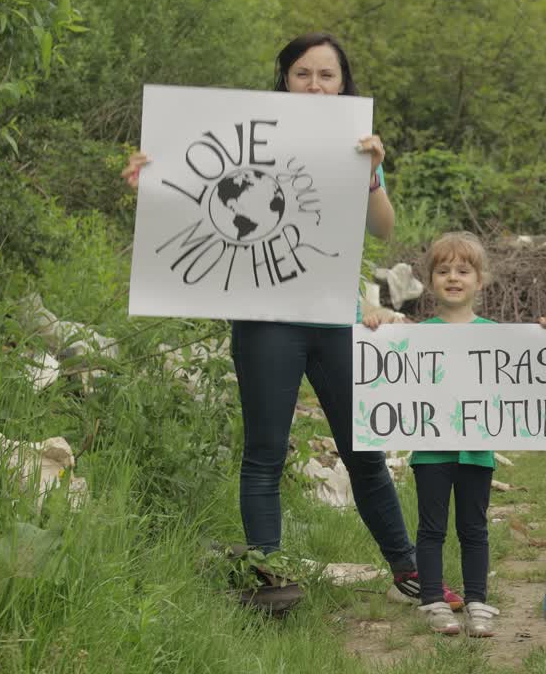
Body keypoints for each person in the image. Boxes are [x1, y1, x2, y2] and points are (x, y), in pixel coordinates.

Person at [121, 32, 463, 610]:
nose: (315, 85)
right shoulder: (242, 135)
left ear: (343, 83)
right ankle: (270, 580)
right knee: (265, 454)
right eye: (303, 73)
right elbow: (193, 195)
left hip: (335, 319)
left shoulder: (356, 143)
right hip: (265, 320)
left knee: (365, 451)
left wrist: (373, 172)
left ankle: (408, 573)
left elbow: (383, 228)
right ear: (284, 79)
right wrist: (149, 178)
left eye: (327, 75)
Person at [380, 231, 546, 637]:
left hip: (477, 451)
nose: (453, 277)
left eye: (463, 271)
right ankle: (433, 602)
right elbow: (390, 366)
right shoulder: (415, 334)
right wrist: (377, 326)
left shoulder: (495, 334)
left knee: (474, 529)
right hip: (431, 452)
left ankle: (478, 601)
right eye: (443, 271)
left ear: (480, 281)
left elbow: (520, 372)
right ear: (430, 281)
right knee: (431, 530)